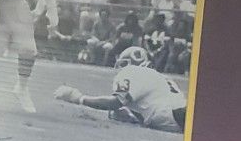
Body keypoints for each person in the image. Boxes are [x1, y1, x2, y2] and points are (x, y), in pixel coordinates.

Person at [54, 45, 186, 133]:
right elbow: (151, 109)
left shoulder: (132, 71)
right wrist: (131, 115)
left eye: (123, 64)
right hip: (180, 116)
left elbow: (115, 102)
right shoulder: (160, 78)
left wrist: (78, 98)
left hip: (178, 115)